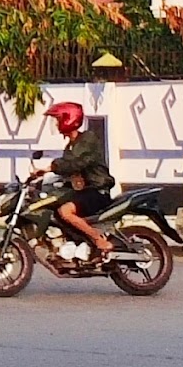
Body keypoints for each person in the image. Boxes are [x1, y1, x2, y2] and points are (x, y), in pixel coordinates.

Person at [33, 101, 116, 257]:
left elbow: (74, 162)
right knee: (54, 207)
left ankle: (98, 239)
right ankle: (73, 243)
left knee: (65, 211)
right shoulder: (71, 146)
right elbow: (67, 170)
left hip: (97, 190)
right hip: (82, 191)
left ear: (68, 119)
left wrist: (50, 168)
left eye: (58, 119)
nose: (56, 124)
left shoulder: (87, 139)